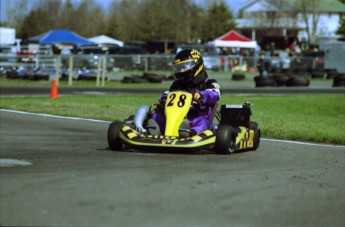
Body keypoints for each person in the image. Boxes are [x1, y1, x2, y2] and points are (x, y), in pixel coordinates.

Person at [149, 49, 221, 137]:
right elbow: (169, 93)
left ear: (196, 65)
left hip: (196, 115)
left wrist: (202, 96)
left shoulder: (208, 83)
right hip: (176, 116)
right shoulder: (177, 85)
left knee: (201, 121)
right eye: (179, 68)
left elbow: (215, 94)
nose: (181, 71)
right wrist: (165, 97)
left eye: (184, 67)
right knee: (157, 116)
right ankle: (157, 129)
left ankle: (190, 133)